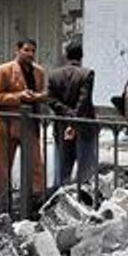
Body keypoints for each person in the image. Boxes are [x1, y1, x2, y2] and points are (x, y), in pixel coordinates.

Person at [0, 39, 47, 207]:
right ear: (18, 50)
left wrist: (39, 97)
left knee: (36, 166)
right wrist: (19, 96)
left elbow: (43, 93)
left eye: (32, 51)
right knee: (3, 166)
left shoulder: (39, 71)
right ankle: (1, 202)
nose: (30, 54)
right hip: (8, 126)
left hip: (31, 125)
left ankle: (35, 202)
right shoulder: (4, 70)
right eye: (26, 50)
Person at [47, 41, 97, 187]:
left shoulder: (54, 75)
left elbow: (50, 99)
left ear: (66, 55)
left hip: (61, 126)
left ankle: (60, 197)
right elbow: (83, 102)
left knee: (62, 170)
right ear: (82, 56)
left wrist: (67, 116)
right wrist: (73, 121)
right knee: (86, 171)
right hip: (84, 127)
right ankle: (82, 197)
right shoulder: (87, 74)